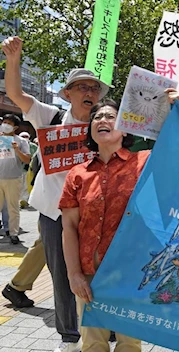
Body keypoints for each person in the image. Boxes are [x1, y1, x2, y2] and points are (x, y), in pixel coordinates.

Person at [2, 35, 109, 352]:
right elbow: (16, 95)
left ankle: (104, 327)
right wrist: (13, 60)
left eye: (94, 88)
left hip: (96, 216)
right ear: (68, 94)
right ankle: (69, 337)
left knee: (98, 272)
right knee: (61, 276)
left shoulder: (107, 124)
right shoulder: (48, 117)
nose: (89, 93)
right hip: (53, 214)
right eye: (82, 87)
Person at [61, 93, 178, 351]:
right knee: (92, 345)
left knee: (129, 345)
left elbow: (175, 147)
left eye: (111, 116)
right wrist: (74, 275)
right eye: (97, 117)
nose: (102, 119)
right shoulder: (77, 175)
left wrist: (172, 108)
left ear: (125, 128)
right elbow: (69, 227)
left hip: (132, 273)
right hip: (90, 275)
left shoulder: (144, 162)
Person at [0, 114, 31, 244]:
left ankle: (13, 233)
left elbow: (27, 159)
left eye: (9, 123)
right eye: (4, 122)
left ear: (15, 127)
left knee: (13, 208)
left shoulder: (21, 141)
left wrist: (17, 150)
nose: (5, 125)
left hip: (14, 178)